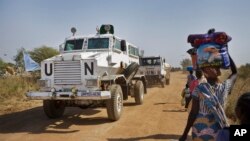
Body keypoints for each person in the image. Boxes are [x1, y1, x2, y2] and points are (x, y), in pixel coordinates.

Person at [179, 54, 237, 141]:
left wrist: (184, 135)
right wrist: (226, 53)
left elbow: (193, 114)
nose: (213, 69)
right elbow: (235, 72)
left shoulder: (199, 89)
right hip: (218, 133)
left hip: (199, 132)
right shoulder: (224, 88)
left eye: (215, 68)